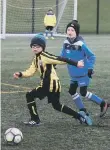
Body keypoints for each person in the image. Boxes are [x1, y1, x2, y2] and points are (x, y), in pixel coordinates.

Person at [13, 33, 92, 126]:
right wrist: (21, 74)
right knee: (57, 106)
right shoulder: (36, 59)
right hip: (55, 85)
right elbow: (31, 71)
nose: (35, 48)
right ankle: (79, 116)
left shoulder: (45, 56)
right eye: (33, 46)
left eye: (38, 46)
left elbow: (60, 59)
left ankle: (35, 119)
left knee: (29, 95)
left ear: (43, 47)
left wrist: (76, 63)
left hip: (49, 84)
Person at [60, 20, 109, 118]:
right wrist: (54, 63)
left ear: (76, 32)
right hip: (73, 74)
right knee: (72, 91)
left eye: (72, 30)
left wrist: (90, 68)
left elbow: (92, 56)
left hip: (83, 73)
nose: (69, 32)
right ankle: (83, 110)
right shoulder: (65, 43)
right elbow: (62, 56)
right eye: (68, 30)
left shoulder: (81, 44)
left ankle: (103, 103)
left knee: (83, 92)